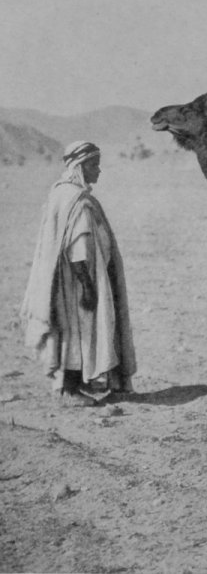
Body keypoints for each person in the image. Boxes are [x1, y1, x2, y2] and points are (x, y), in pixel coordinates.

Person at [20, 141, 136, 406]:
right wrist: (88, 286)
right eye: (94, 164)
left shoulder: (62, 194)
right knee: (79, 332)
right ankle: (70, 390)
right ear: (80, 166)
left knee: (76, 332)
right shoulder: (77, 201)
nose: (99, 170)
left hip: (73, 278)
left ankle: (80, 386)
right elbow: (78, 247)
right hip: (78, 280)